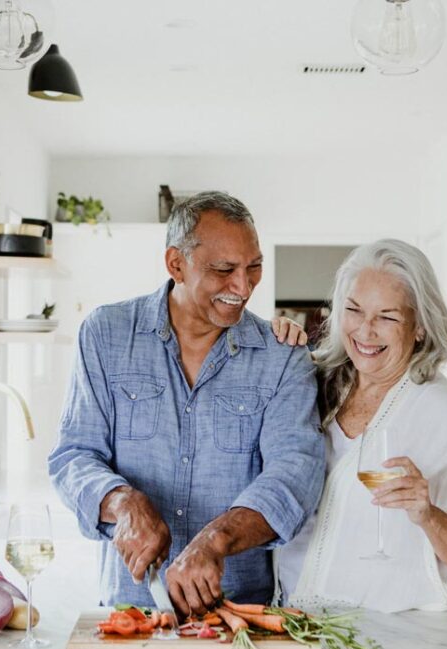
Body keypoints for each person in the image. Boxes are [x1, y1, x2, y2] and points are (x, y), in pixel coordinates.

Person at [49, 191, 325, 615]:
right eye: (223, 270)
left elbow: (295, 475)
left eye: (254, 268)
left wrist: (216, 540)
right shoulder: (106, 334)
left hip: (239, 614)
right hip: (129, 610)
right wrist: (122, 503)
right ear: (176, 264)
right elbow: (73, 456)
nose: (243, 286)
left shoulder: (283, 355)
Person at [275, 238, 447, 613]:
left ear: (420, 327)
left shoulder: (438, 413)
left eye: (387, 317)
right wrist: (273, 343)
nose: (365, 330)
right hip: (291, 616)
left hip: (381, 632)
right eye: (354, 310)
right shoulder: (317, 380)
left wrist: (427, 513)